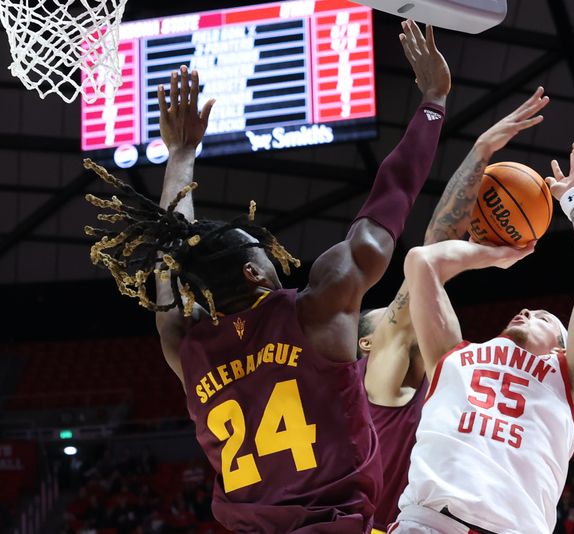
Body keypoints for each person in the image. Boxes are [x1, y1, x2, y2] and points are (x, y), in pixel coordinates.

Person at [84, 20, 451, 534]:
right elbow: (385, 210)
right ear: (254, 271)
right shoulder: (318, 311)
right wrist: (432, 102)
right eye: (262, 247)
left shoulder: (187, 350)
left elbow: (169, 256)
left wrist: (181, 157)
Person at [392, 143, 574, 533]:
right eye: (530, 309)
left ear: (564, 347)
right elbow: (420, 261)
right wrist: (493, 255)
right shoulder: (454, 355)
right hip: (427, 523)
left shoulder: (572, 382)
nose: (529, 311)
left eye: (545, 317)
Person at [357, 89, 550, 532]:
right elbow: (427, 262)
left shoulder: (441, 376)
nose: (396, 312)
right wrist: (480, 151)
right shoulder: (379, 380)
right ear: (367, 343)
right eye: (384, 314)